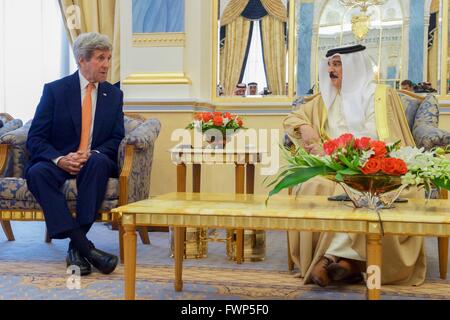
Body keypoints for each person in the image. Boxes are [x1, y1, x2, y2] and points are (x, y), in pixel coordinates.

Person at [284, 44, 425, 287]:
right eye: (329, 64)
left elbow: (391, 140)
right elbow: (293, 117)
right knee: (312, 185)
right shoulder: (323, 99)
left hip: (375, 164)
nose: (331, 70)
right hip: (332, 168)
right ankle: (350, 265)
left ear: (353, 66)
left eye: (337, 64)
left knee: (366, 191)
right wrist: (306, 128)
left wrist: (361, 159)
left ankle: (330, 259)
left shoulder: (381, 96)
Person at [26, 33, 125, 276]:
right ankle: (85, 248)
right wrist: (60, 159)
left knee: (100, 162)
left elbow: (116, 138)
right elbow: (35, 138)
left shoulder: (113, 95)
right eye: (100, 58)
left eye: (108, 58)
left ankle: (76, 247)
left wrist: (91, 153)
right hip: (60, 159)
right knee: (37, 172)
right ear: (82, 60)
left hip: (94, 159)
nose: (106, 64)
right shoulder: (55, 91)